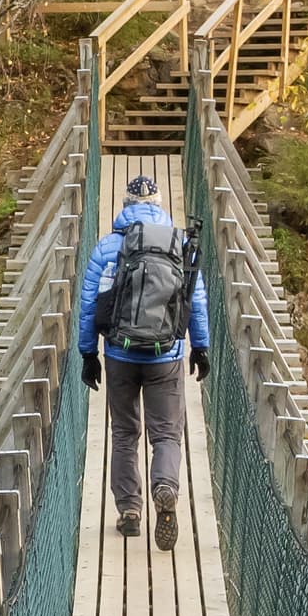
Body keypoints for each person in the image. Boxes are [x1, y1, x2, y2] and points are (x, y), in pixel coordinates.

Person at [76, 172, 209, 550]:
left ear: (124, 207)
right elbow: (196, 302)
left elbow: (89, 306)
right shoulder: (180, 245)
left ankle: (129, 511)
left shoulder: (107, 248)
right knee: (166, 432)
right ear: (160, 204)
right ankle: (165, 486)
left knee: (124, 433)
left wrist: (89, 354)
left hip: (119, 353)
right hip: (165, 354)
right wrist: (201, 347)